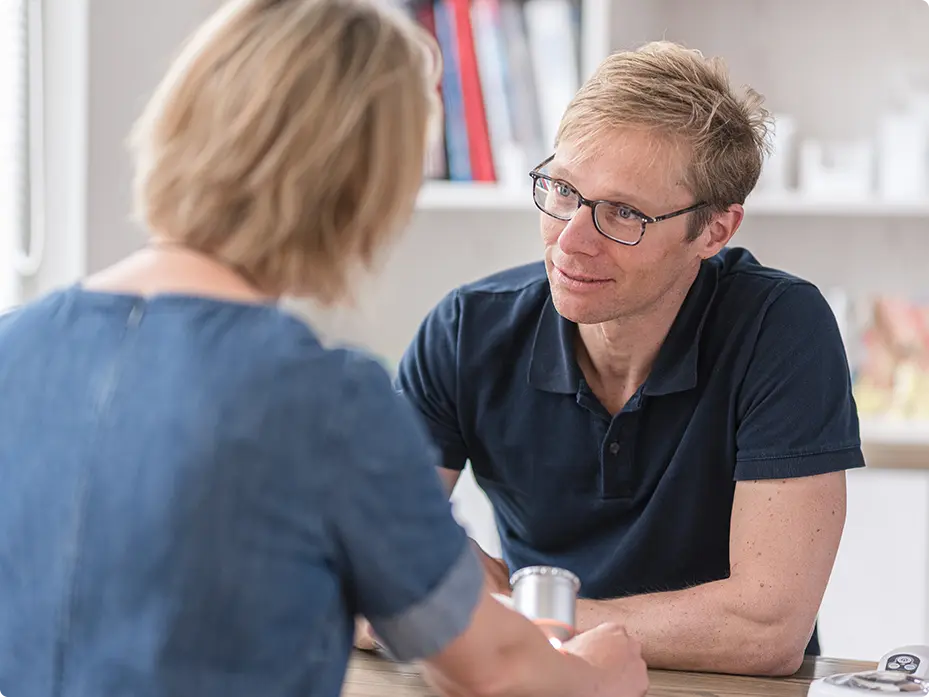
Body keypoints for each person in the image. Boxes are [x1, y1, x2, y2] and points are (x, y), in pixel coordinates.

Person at [0, 1, 649, 696]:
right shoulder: (324, 401)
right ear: (361, 188)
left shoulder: (15, 345)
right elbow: (497, 671)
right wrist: (597, 672)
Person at [387, 41, 864, 677]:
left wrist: (507, 610)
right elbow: (364, 575)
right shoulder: (467, 329)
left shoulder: (782, 330)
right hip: (541, 685)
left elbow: (766, 629)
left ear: (715, 231)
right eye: (562, 190)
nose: (570, 241)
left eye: (624, 213)